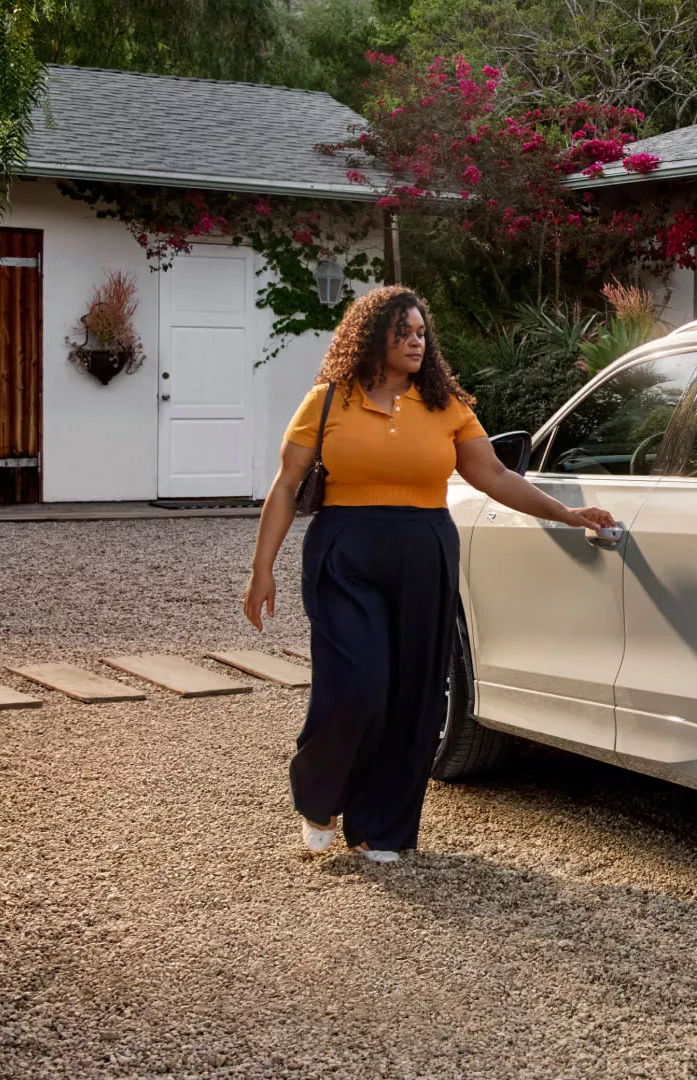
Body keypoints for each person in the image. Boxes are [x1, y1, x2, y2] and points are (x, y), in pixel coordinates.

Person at [242, 285, 616, 863]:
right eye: (404, 333)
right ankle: (320, 796)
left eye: (421, 333)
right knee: (356, 686)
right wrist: (260, 569)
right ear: (373, 337)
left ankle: (381, 826)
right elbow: (287, 485)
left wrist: (566, 514)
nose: (417, 342)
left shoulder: (447, 406)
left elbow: (493, 476)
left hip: (425, 551)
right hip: (346, 553)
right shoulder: (326, 401)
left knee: (415, 692)